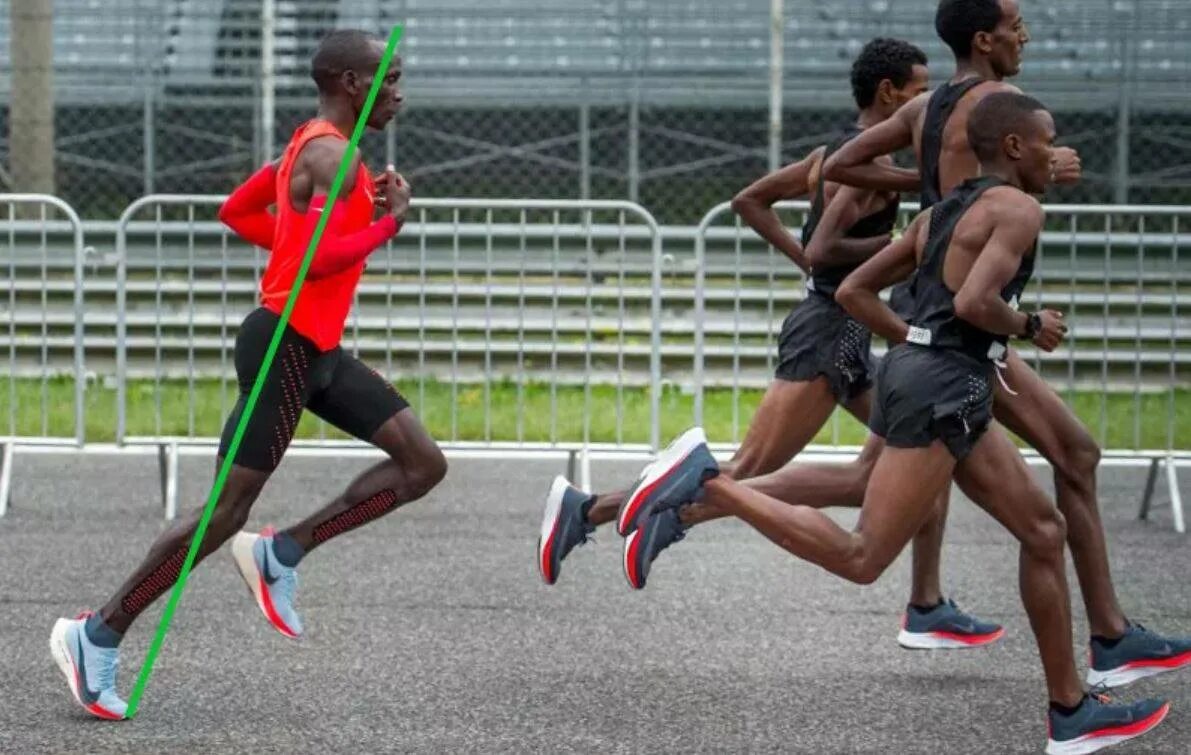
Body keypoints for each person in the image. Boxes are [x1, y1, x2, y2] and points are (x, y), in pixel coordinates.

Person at [624, 93, 1169, 755]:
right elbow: (974, 300)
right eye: (1048, 141)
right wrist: (1028, 325)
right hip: (943, 386)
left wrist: (914, 337)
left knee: (1042, 527)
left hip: (931, 376)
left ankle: (1070, 711)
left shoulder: (939, 212)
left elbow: (854, 290)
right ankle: (711, 485)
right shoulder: (1019, 209)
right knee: (863, 557)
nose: (1058, 157)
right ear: (1015, 147)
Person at [537, 37, 1002, 649]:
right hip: (829, 332)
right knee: (748, 469)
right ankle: (598, 511)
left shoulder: (830, 155)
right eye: (921, 93)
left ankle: (926, 601)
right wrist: (909, 253)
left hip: (841, 328)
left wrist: (819, 269)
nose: (932, 107)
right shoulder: (872, 177)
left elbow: (749, 201)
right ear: (890, 95)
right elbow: (824, 248)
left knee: (904, 465)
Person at [49, 29, 447, 720]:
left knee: (421, 464)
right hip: (282, 349)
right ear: (352, 82)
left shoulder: (308, 147)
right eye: (389, 79)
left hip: (315, 349)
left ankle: (281, 551)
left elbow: (236, 212)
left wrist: (320, 235)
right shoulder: (336, 156)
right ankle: (96, 633)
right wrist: (388, 226)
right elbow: (317, 262)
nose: (399, 92)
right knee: (222, 513)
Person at [823, 0, 1191, 688]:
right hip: (962, 323)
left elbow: (842, 162)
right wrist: (1016, 179)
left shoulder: (924, 107)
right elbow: (999, 187)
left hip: (931, 306)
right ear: (984, 39)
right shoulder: (1005, 102)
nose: (1025, 35)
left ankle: (1086, 632)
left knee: (1061, 455)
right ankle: (702, 490)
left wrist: (929, 188)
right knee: (868, 510)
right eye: (1015, 25)